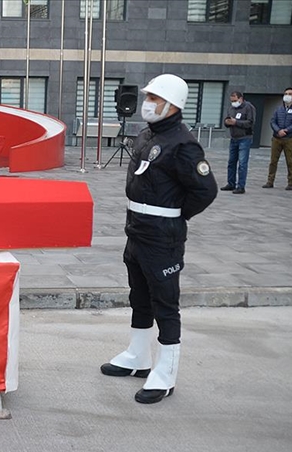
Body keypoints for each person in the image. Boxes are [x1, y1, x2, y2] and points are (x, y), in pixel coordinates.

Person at [100, 74, 217, 405]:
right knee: (139, 296)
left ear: (172, 105)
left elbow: (205, 190)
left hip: (162, 236)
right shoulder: (147, 134)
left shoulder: (184, 144)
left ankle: (165, 374)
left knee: (165, 304)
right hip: (136, 230)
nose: (147, 103)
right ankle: (138, 356)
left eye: (154, 98)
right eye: (147, 97)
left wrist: (177, 216)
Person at [264, 87, 292, 190]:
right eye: (285, 93)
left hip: (290, 138)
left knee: (290, 161)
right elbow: (273, 121)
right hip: (276, 138)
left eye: (290, 94)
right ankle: (270, 181)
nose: (287, 95)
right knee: (273, 161)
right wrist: (278, 130)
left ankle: (291, 182)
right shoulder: (279, 108)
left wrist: (286, 130)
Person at [221, 91, 256, 194]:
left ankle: (241, 186)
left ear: (241, 99)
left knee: (242, 163)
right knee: (231, 162)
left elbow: (250, 122)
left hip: (245, 138)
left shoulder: (249, 107)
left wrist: (236, 122)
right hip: (234, 138)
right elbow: (227, 119)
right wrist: (227, 122)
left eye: (235, 100)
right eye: (232, 101)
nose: (234, 103)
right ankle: (231, 183)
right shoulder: (231, 108)